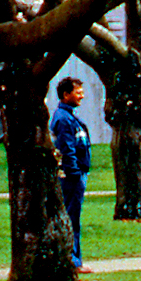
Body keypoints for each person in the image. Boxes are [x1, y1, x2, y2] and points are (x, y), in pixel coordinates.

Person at [49, 75, 91, 271]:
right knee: (72, 217)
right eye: (78, 92)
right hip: (72, 177)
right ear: (66, 95)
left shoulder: (70, 117)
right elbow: (67, 148)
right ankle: (73, 261)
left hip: (77, 173)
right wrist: (74, 172)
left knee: (73, 215)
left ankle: (72, 259)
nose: (81, 96)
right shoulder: (63, 119)